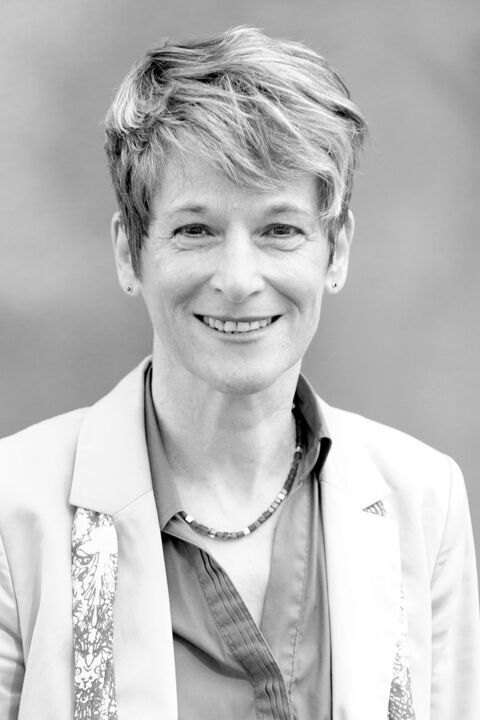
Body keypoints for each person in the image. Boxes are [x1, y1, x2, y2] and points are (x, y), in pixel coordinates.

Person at [0, 26, 478, 720]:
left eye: (280, 229)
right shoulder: (12, 508)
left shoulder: (425, 501)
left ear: (337, 251)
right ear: (130, 253)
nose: (238, 279)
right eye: (194, 230)